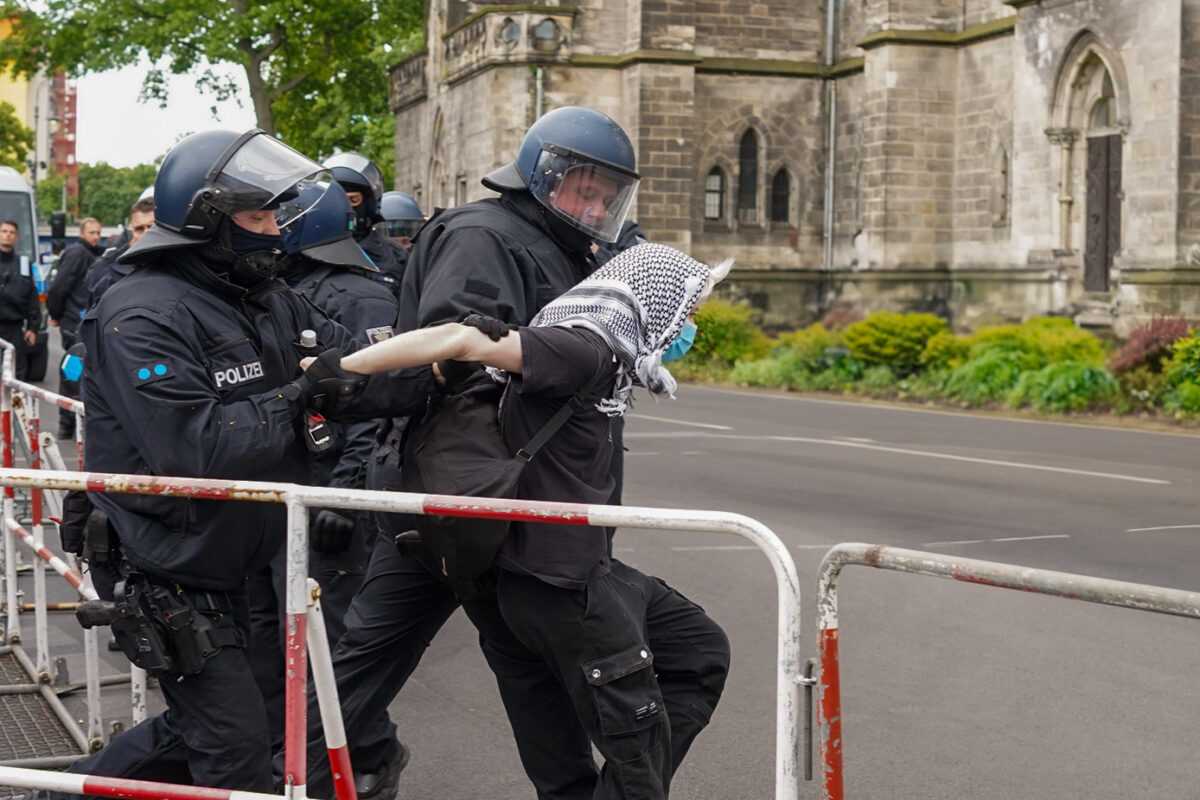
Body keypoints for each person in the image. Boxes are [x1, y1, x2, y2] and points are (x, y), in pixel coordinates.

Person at [289, 106, 726, 800]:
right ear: (541, 179)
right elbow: (454, 353)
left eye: (608, 196)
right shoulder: (485, 235)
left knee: (524, 671)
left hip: (499, 508)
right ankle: (282, 782)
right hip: (475, 504)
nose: (596, 206)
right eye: (584, 189)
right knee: (363, 674)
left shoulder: (565, 243)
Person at [58, 128, 384, 796]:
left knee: (220, 728)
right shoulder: (140, 312)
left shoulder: (261, 298)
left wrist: (453, 359)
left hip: (239, 558)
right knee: (234, 751)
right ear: (208, 219)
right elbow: (199, 448)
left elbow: (357, 367)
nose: (274, 231)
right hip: (165, 565)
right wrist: (305, 393)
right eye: (257, 216)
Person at [247, 178, 400, 751]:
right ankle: (283, 758)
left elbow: (379, 402)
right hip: (287, 490)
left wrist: (345, 491)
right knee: (274, 638)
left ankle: (367, 759)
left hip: (330, 493)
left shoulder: (359, 296)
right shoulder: (283, 288)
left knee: (332, 647)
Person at [323, 152, 409, 301]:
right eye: (335, 198)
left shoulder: (396, 256)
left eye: (353, 199)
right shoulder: (305, 253)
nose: (343, 206)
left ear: (370, 204)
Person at [47, 217, 103, 437]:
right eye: (92, 233)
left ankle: (75, 422)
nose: (97, 237)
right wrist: (55, 314)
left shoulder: (95, 255)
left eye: (99, 233)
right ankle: (66, 424)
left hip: (84, 321)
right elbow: (60, 287)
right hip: (73, 321)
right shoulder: (78, 254)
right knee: (72, 371)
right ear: (81, 234)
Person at [85, 195, 156, 308]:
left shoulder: (179, 263)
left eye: (151, 228)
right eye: (139, 229)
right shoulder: (115, 266)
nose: (145, 234)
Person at [0, 220, 41, 379]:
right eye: (4, 231)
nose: (7, 235)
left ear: (16, 237)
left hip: (14, 328)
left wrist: (33, 327)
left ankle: (13, 404)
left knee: (16, 374)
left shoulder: (23, 264)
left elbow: (32, 296)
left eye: (11, 232)